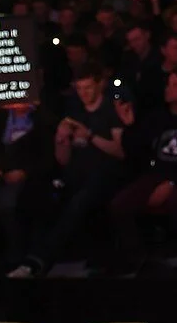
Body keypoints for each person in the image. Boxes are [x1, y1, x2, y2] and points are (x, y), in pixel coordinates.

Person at [10, 64, 126, 278]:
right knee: (43, 196)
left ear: (99, 85)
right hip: (75, 173)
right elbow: (63, 160)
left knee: (80, 201)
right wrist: (60, 140)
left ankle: (38, 262)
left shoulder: (111, 109)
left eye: (88, 88)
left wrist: (90, 135)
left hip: (105, 174)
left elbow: (119, 151)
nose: (84, 93)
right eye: (80, 88)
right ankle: (26, 258)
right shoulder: (74, 111)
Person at [109, 71, 177, 275]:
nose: (169, 88)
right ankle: (136, 258)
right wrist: (129, 125)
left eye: (176, 85)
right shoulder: (157, 116)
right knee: (119, 204)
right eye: (169, 84)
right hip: (155, 174)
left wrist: (173, 183)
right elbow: (135, 149)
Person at [0, 97, 49, 268]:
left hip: (23, 174)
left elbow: (48, 157)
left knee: (8, 203)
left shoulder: (43, 119)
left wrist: (25, 172)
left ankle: (15, 258)